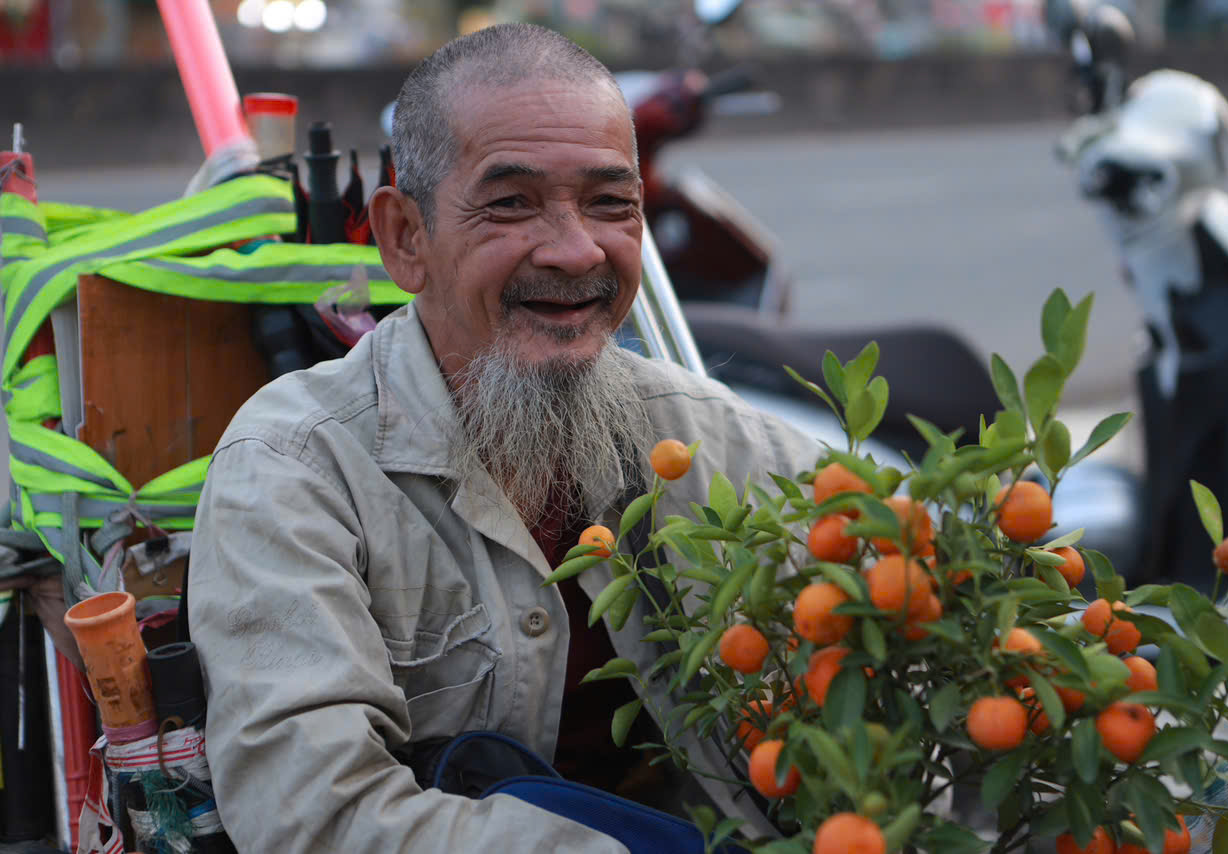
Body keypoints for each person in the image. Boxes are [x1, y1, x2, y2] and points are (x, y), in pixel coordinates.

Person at [187, 22, 821, 853]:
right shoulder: (293, 472)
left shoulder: (707, 436)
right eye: (511, 203)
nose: (573, 249)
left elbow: (932, 615)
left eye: (609, 204)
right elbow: (317, 814)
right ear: (406, 239)